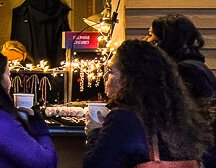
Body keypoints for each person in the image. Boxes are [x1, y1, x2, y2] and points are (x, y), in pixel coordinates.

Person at [83, 39, 212, 168]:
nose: (105, 76)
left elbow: (96, 165)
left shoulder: (123, 119)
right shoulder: (180, 115)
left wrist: (95, 131)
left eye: (110, 71)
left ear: (129, 79)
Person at [148, 14, 216, 167]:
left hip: (199, 153)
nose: (149, 41)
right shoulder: (195, 66)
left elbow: (185, 114)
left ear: (165, 41)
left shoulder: (185, 70)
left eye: (151, 35)